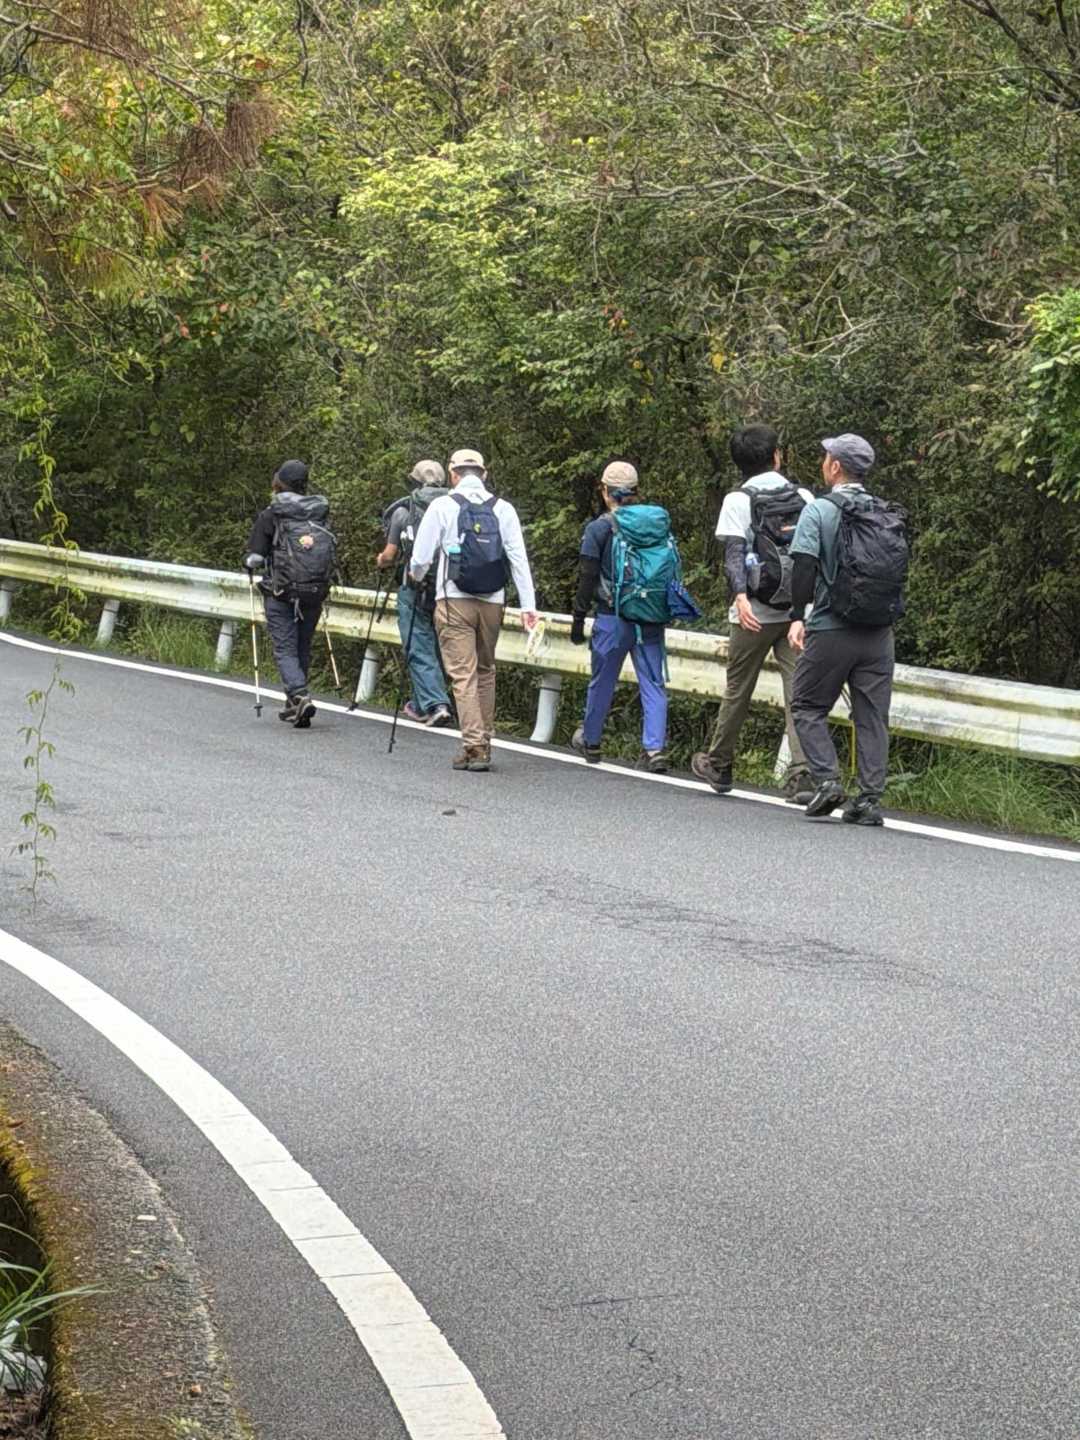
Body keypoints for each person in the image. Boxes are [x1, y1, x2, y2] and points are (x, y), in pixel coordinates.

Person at [788, 433, 908, 826]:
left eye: (826, 457)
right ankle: (869, 800)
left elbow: (804, 565)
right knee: (872, 715)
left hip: (831, 627)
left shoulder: (820, 510)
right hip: (878, 631)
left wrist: (797, 616)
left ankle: (827, 780)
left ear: (836, 466)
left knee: (807, 705)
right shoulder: (882, 511)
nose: (823, 462)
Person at [691, 425, 813, 801]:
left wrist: (741, 597)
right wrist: (805, 609)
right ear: (777, 456)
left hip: (753, 614)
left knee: (738, 689)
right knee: (799, 693)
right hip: (796, 616)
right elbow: (813, 556)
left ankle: (719, 764)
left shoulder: (737, 500)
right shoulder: (804, 496)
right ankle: (803, 774)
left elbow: (733, 554)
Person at [409, 448, 537, 772]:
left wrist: (416, 578)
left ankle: (474, 746)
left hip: (453, 599)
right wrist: (528, 606)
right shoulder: (504, 509)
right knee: (485, 670)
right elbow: (518, 559)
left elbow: (420, 559)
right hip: (493, 601)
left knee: (462, 673)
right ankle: (484, 740)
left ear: (453, 475)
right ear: (484, 474)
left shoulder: (442, 506)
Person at [568, 461, 672, 772]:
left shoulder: (599, 528)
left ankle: (592, 740)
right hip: (650, 615)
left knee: (603, 680)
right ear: (636, 491)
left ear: (605, 491)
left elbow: (587, 577)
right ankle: (654, 749)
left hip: (612, 617)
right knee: (653, 682)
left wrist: (578, 619)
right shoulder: (656, 524)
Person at [244, 459, 336, 728]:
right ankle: (293, 703)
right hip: (314, 590)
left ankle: (299, 695)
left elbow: (255, 557)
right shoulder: (318, 512)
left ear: (279, 483)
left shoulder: (272, 514)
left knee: (285, 648)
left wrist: (248, 562)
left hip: (281, 591)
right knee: (302, 646)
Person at [376, 459, 453, 728]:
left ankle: (436, 704)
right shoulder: (454, 507)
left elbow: (390, 555)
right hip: (449, 588)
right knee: (442, 645)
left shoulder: (404, 511)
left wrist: (381, 561)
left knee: (418, 645)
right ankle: (422, 704)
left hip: (415, 586)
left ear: (414, 481)